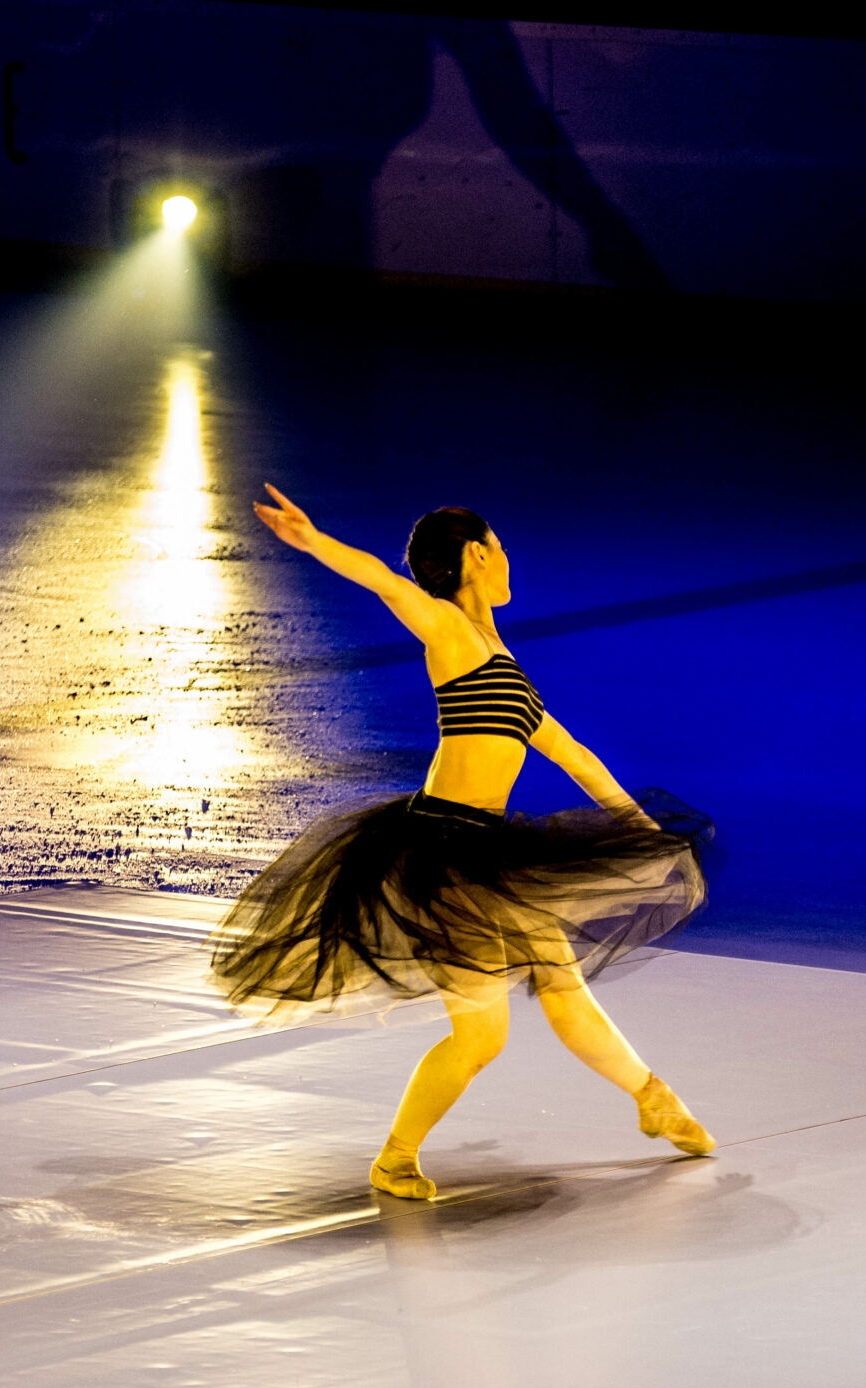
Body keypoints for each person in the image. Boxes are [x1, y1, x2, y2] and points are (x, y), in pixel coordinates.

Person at [210, 485, 716, 1200]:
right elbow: (385, 583)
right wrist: (313, 540)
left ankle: (654, 1100)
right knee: (483, 1037)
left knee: (562, 987)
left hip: (487, 851)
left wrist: (640, 826)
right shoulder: (449, 629)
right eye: (499, 546)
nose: (507, 558)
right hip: (443, 858)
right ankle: (393, 1160)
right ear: (476, 555)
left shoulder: (501, 658)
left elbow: (572, 753)